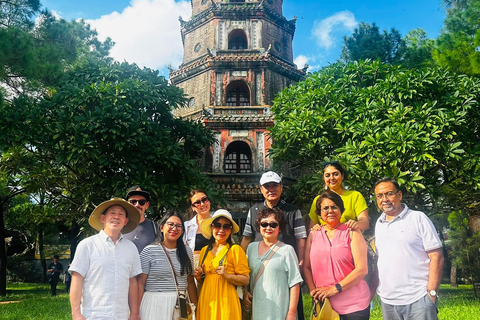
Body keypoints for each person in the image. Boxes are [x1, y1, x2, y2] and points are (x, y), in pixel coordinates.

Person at [374, 177, 444, 320]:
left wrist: (431, 293)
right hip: (388, 301)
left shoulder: (418, 218)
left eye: (389, 194)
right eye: (379, 196)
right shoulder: (379, 223)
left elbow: (436, 256)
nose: (384, 199)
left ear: (399, 195)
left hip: (418, 298)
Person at [241, 171, 307, 319]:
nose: (271, 189)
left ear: (281, 187)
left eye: (275, 185)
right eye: (267, 186)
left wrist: (301, 263)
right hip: (259, 264)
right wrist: (239, 262)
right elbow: (246, 238)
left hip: (284, 266)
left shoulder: (292, 210)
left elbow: (301, 239)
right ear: (261, 189)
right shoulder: (254, 211)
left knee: (289, 306)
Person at [69, 198, 142, 320]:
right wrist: (76, 314)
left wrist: (134, 313)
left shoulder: (131, 248)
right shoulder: (87, 245)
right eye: (112, 213)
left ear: (126, 221)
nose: (116, 217)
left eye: (121, 214)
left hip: (121, 315)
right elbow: (77, 280)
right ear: (103, 218)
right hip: (93, 315)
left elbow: (132, 282)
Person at [304, 190, 371, 319]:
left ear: (341, 209)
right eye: (325, 208)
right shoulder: (314, 235)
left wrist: (334, 289)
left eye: (334, 207)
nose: (330, 211)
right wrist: (313, 291)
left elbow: (362, 269)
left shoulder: (352, 232)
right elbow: (306, 267)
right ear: (319, 213)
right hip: (325, 306)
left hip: (354, 306)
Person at [243, 207, 303, 320]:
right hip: (257, 309)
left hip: (279, 311)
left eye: (273, 224)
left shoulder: (287, 250)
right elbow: (246, 274)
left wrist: (292, 312)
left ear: (279, 228)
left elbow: (295, 283)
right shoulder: (251, 248)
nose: (268, 228)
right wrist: (245, 292)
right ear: (259, 226)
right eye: (264, 224)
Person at [138, 212, 198, 320]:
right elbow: (140, 283)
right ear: (161, 227)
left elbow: (190, 281)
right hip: (154, 303)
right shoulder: (149, 251)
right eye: (170, 224)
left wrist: (196, 308)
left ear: (182, 231)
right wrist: (135, 311)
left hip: (180, 304)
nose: (174, 228)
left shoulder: (187, 252)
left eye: (178, 226)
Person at [193, 209, 250, 320]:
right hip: (207, 300)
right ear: (212, 227)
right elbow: (205, 280)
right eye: (217, 225)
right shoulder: (205, 251)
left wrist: (227, 275)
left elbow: (246, 279)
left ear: (230, 230)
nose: (221, 230)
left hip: (227, 301)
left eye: (226, 226)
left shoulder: (235, 250)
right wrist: (199, 276)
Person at [309, 161, 369, 231]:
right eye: (327, 175)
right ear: (324, 178)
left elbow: (365, 223)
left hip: (349, 238)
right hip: (325, 240)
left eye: (335, 174)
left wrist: (355, 225)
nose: (332, 178)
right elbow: (311, 228)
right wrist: (315, 228)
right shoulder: (318, 200)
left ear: (342, 176)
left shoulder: (355, 196)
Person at [123, 186, 158, 253]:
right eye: (133, 202)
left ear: (147, 205)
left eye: (141, 202)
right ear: (127, 204)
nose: (137, 205)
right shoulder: (119, 227)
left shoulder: (155, 228)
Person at [184, 189, 212, 266]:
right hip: (193, 267)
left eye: (204, 199)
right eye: (197, 202)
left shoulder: (219, 224)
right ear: (192, 207)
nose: (202, 204)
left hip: (215, 267)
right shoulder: (186, 227)